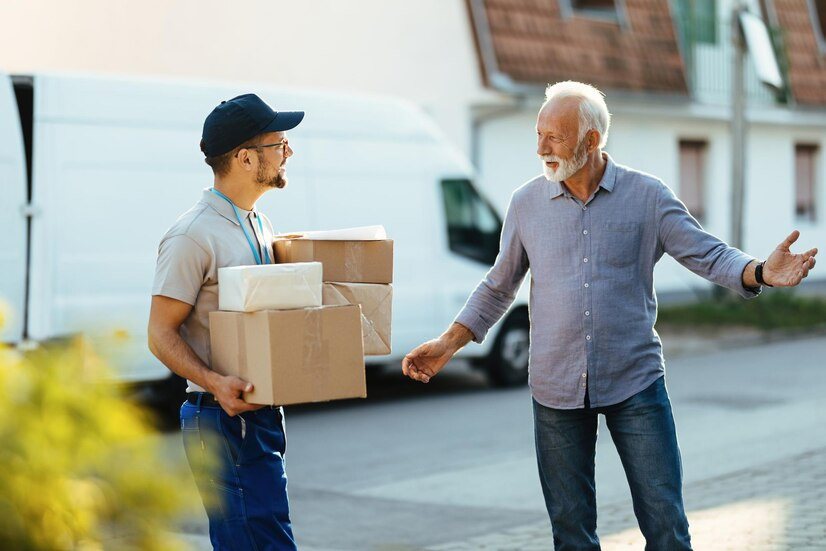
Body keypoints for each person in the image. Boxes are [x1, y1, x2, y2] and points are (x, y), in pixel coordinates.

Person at [402, 81, 818, 550]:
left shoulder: (648, 197)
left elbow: (708, 254)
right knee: (571, 533)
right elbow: (499, 285)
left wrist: (760, 271)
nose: (541, 148)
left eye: (553, 137)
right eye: (538, 134)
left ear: (592, 140)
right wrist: (447, 343)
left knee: (665, 525)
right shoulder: (525, 204)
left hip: (634, 382)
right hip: (555, 388)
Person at [148, 93, 303, 550]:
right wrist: (215, 382)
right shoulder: (192, 235)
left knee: (270, 537)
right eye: (279, 143)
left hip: (259, 417)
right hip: (220, 417)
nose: (288, 152)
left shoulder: (259, 224)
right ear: (244, 157)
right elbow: (159, 334)